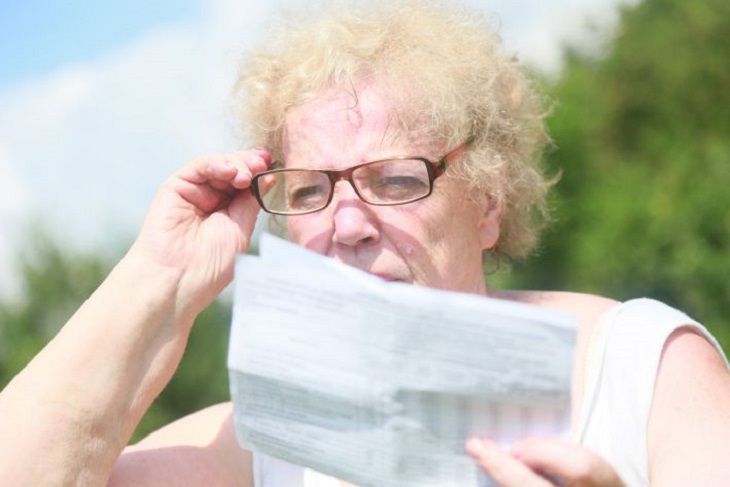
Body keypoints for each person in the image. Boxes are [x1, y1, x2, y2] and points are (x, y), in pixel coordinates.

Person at [1, 1, 729, 486]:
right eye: (308, 191)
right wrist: (158, 277)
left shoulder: (645, 369)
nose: (347, 225)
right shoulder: (266, 441)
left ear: (488, 204)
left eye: (396, 179)